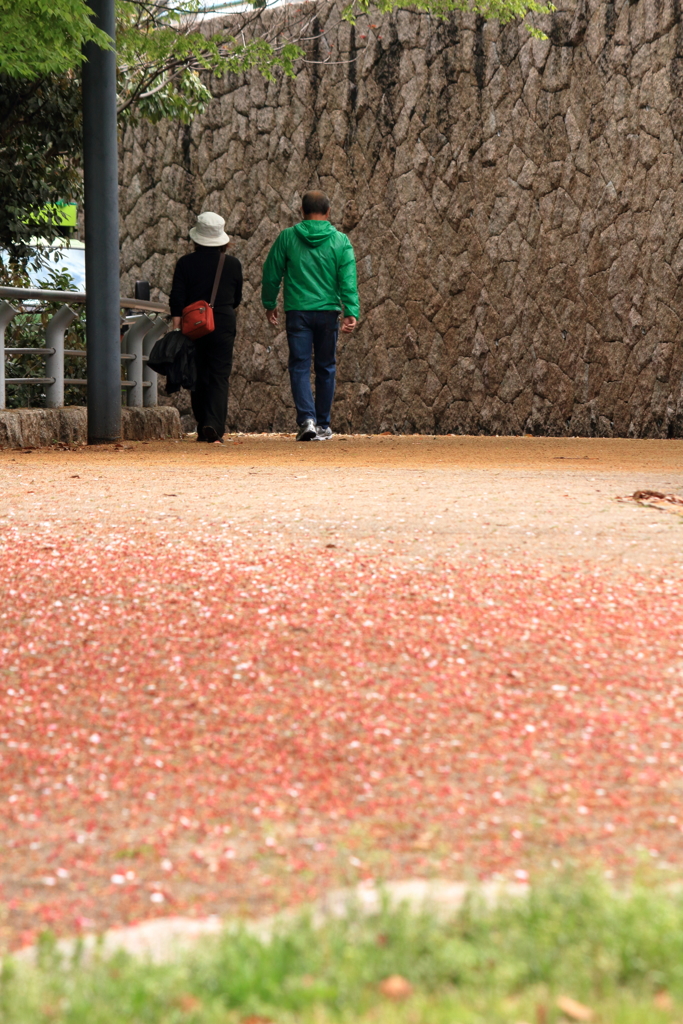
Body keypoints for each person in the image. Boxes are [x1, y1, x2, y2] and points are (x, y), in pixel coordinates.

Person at [261, 190, 360, 441]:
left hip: (298, 312)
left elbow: (272, 272)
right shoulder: (341, 241)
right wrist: (351, 311)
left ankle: (307, 420)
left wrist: (270, 303)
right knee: (326, 367)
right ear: (328, 213)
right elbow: (347, 280)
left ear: (301, 212)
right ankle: (324, 424)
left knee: (300, 366)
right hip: (328, 312)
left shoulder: (287, 238)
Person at [170, 212, 243, 443]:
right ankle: (214, 425)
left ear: (196, 238)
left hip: (194, 325)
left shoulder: (185, 263)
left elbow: (177, 299)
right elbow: (236, 298)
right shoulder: (232, 264)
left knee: (198, 373)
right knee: (219, 375)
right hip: (222, 322)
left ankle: (203, 423)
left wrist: (176, 328)